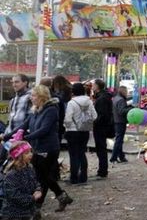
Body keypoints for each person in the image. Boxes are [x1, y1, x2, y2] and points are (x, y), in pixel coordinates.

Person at [11, 85, 73, 216]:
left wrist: (25, 138)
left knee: (41, 178)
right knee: (43, 177)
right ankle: (61, 196)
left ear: (42, 97)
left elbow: (44, 130)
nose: (31, 98)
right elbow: (24, 125)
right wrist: (6, 136)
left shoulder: (51, 110)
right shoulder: (35, 110)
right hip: (37, 148)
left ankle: (37, 207)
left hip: (49, 148)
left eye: (34, 95)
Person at [64, 83, 97, 185]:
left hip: (72, 131)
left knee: (73, 155)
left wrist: (66, 126)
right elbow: (95, 116)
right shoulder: (89, 102)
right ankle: (83, 176)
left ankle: (74, 178)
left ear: (73, 92)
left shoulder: (71, 103)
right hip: (85, 130)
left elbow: (68, 118)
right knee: (82, 153)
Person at [1, 140, 41, 219]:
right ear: (18, 156)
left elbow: (36, 182)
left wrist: (38, 189)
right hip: (14, 214)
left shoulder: (29, 168)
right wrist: (32, 198)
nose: (31, 155)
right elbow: (15, 196)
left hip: (28, 210)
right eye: (26, 153)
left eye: (30, 151)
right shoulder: (11, 175)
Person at [92, 79, 113, 179]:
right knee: (101, 148)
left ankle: (102, 171)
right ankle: (102, 170)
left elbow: (102, 114)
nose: (92, 86)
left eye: (93, 85)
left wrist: (95, 122)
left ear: (97, 86)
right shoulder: (103, 97)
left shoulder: (102, 98)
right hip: (102, 126)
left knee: (101, 149)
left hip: (101, 127)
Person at [3, 74, 32, 139]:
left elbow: (29, 119)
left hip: (21, 136)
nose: (14, 85)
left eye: (17, 82)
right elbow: (11, 118)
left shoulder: (31, 97)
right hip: (9, 134)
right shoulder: (14, 99)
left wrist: (24, 136)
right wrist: (6, 133)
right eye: (13, 82)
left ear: (25, 83)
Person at [110, 86, 132, 164]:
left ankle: (121, 156)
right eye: (126, 91)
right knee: (119, 140)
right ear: (123, 91)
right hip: (120, 121)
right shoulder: (121, 100)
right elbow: (122, 111)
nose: (127, 93)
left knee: (119, 139)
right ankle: (114, 157)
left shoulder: (115, 98)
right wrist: (130, 108)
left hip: (116, 120)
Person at [51, 75, 72, 145]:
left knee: (59, 129)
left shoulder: (62, 90)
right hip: (66, 109)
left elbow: (61, 99)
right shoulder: (68, 88)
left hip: (62, 109)